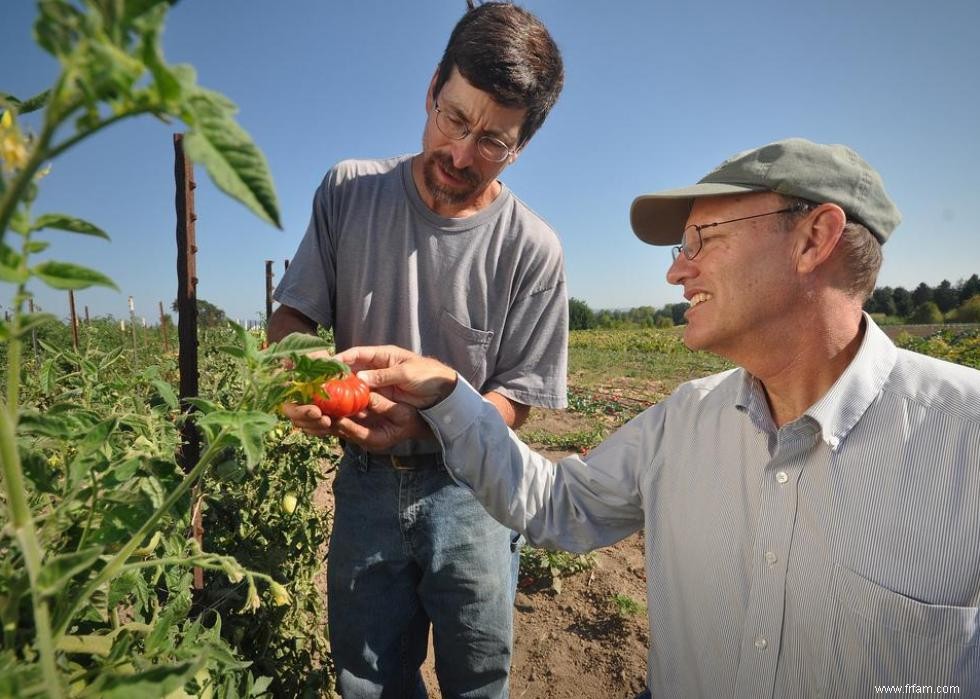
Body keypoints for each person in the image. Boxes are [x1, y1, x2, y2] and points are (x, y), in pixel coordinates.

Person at [331, 138, 980, 698]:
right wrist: (448, 394)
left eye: (702, 238)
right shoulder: (684, 420)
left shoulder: (966, 435)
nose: (676, 268)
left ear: (814, 238)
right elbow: (555, 502)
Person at [268, 3, 567, 697]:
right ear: (432, 88)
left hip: (474, 491)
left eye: (492, 140)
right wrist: (295, 381)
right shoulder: (349, 193)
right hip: (366, 486)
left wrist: (435, 421)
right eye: (455, 118)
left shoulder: (533, 248)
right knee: (369, 680)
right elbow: (292, 320)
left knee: (477, 678)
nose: (461, 153)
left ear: (522, 145)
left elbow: (518, 396)